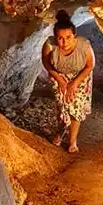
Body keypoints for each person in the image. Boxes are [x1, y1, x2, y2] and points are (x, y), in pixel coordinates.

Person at [41, 10, 94, 153]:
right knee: (62, 107)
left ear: (74, 36)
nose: (64, 42)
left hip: (80, 77)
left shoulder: (84, 45)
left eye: (68, 37)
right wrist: (60, 80)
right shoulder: (50, 45)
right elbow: (46, 63)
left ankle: (72, 141)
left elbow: (90, 65)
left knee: (75, 108)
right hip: (59, 76)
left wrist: (75, 83)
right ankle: (61, 131)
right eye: (60, 38)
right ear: (55, 37)